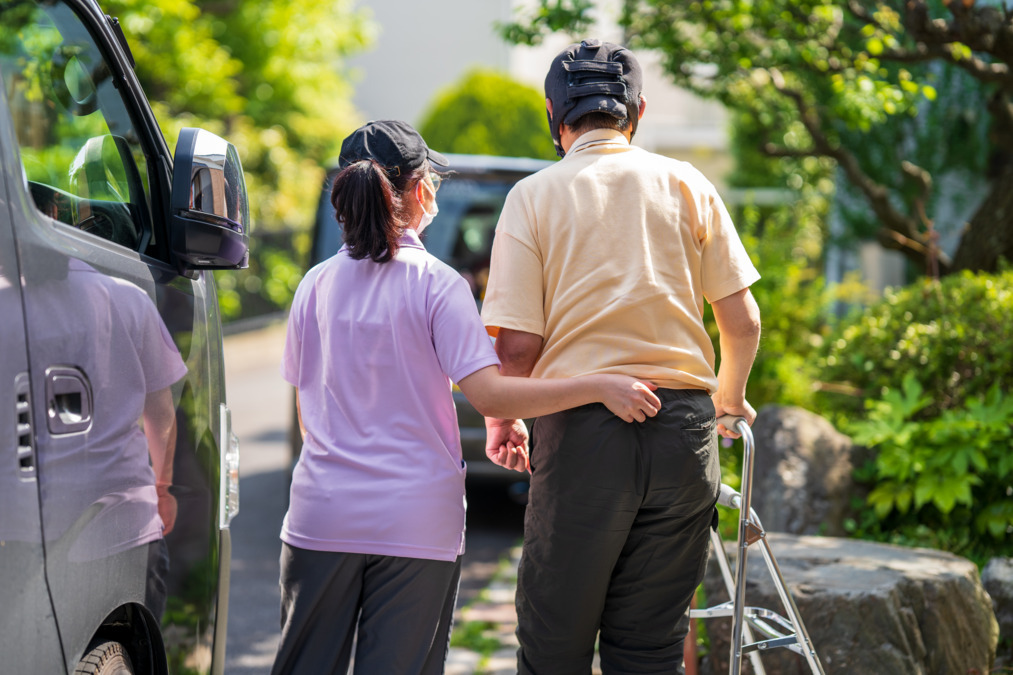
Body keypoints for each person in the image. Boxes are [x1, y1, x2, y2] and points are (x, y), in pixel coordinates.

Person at [271, 119, 662, 675]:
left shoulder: (314, 284)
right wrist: (600, 385)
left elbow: (306, 409)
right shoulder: (437, 284)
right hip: (416, 521)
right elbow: (492, 395)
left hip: (322, 513)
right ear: (420, 189)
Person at [480, 40, 763, 674]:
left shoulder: (533, 196)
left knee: (554, 646)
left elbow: (518, 347)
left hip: (583, 439)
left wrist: (505, 418)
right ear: (638, 111)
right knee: (651, 649)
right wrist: (729, 400)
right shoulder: (688, 183)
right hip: (684, 437)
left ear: (554, 114)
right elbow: (743, 321)